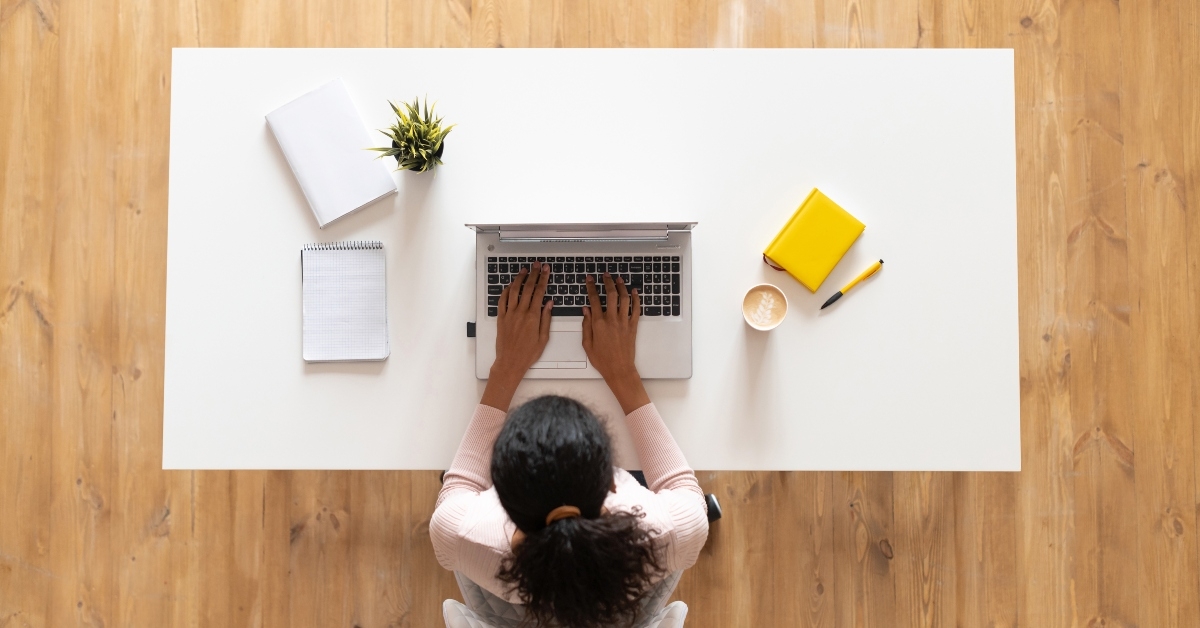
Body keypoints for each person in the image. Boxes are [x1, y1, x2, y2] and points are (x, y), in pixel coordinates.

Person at [431, 260, 709, 628]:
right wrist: (623, 373)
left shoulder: (460, 532)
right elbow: (680, 487)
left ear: (499, 495)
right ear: (614, 482)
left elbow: (462, 485)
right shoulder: (670, 532)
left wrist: (507, 367)